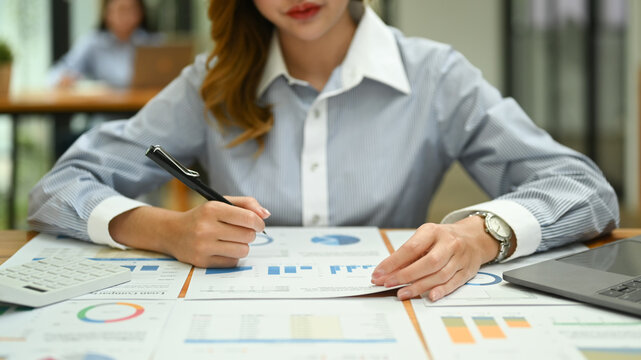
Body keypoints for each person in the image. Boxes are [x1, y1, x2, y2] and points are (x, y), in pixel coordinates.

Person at [28, 0, 619, 302]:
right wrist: (166, 229)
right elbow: (56, 190)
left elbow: (584, 189)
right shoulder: (210, 82)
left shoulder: (437, 76)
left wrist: (481, 233)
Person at [48, 0, 160, 89]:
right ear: (107, 13)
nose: (127, 16)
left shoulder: (152, 43)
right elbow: (56, 74)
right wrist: (63, 79)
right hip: (103, 112)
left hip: (142, 109)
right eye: (121, 9)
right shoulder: (92, 42)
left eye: (132, 9)